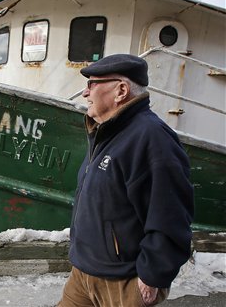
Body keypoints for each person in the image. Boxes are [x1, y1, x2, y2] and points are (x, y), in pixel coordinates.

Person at [58, 54, 194, 306]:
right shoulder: (107, 133)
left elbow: (171, 214)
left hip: (122, 282)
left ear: (121, 90)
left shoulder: (152, 138)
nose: (85, 93)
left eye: (92, 84)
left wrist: (153, 274)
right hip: (83, 274)